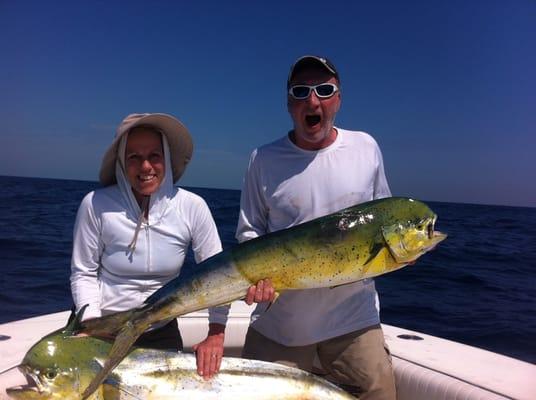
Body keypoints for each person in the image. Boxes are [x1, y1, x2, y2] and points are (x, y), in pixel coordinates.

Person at [236, 56, 396, 400]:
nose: (313, 100)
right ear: (289, 103)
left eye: (324, 90)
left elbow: (385, 220)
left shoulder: (366, 148)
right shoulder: (262, 159)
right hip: (281, 325)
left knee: (380, 392)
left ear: (338, 99)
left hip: (353, 322)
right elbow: (249, 234)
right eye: (301, 91)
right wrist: (255, 282)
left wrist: (402, 251)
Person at [71, 113, 230, 379]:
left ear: (166, 158)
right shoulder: (95, 204)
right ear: (122, 162)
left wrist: (216, 332)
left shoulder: (192, 207)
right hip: (103, 330)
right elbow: (83, 272)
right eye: (134, 157)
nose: (145, 166)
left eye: (154, 156)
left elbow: (220, 273)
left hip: (161, 331)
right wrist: (91, 326)